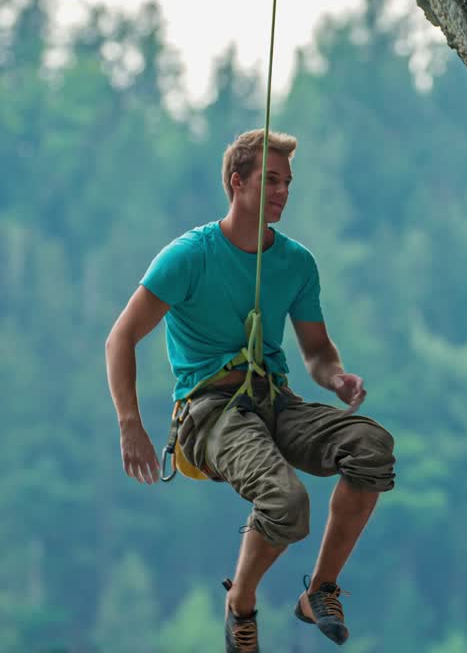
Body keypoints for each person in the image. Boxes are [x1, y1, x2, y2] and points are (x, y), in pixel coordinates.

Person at [104, 129, 396, 652]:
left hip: (274, 399)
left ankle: (321, 591)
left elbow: (316, 349)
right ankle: (241, 604)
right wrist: (131, 424)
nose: (284, 191)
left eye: (288, 182)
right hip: (208, 411)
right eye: (272, 180)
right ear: (237, 183)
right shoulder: (189, 256)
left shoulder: (295, 263)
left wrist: (334, 376)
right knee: (286, 501)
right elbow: (121, 337)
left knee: (371, 448)